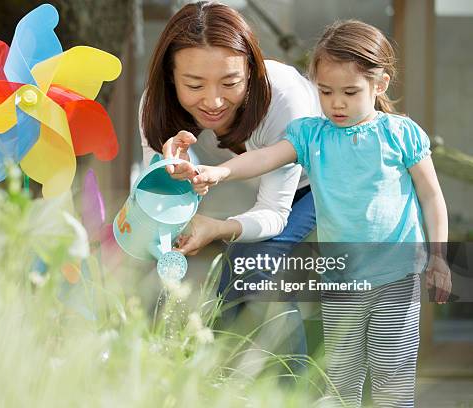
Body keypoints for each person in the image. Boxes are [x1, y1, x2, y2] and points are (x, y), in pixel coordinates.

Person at [180, 19, 452, 407]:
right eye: (325, 91)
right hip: (341, 280)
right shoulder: (311, 134)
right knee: (341, 383)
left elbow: (432, 196)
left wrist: (439, 255)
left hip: (397, 277)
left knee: (392, 383)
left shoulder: (400, 133)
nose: (336, 103)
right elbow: (264, 158)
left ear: (380, 85)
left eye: (350, 92)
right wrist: (219, 171)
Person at [139, 1, 321, 373]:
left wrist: (218, 228)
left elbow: (273, 212)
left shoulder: (286, 100)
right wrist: (165, 171)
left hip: (322, 181)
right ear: (170, 78)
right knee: (227, 288)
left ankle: (299, 393)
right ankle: (217, 385)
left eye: (230, 82)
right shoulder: (155, 109)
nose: (213, 101)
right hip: (264, 189)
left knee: (251, 265)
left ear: (251, 72)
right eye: (193, 85)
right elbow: (152, 204)